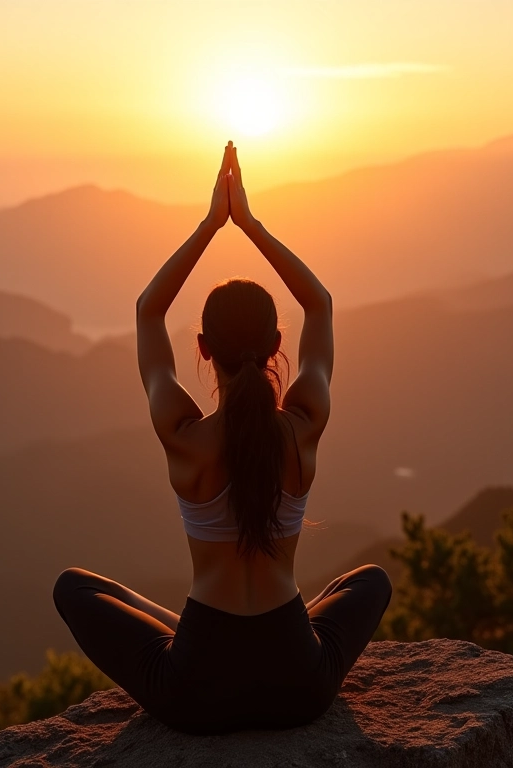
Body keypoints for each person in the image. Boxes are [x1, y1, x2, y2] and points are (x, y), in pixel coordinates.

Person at [53, 141, 392, 735]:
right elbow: (321, 305)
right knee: (368, 581)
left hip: (194, 693)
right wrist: (251, 225)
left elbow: (148, 312)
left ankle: (182, 635)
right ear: (274, 348)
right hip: (299, 683)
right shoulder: (305, 423)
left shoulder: (184, 437)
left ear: (203, 349)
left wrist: (212, 224)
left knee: (75, 588)